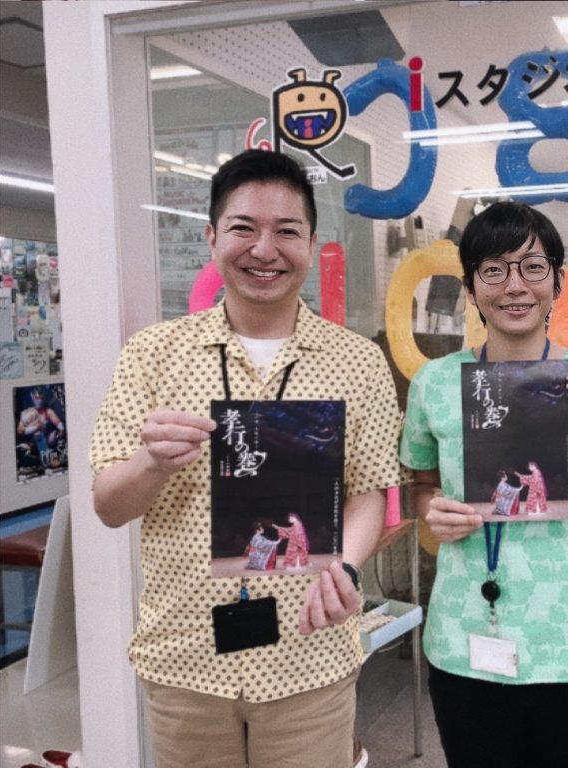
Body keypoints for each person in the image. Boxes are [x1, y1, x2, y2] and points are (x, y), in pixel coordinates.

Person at [89, 149, 402, 768]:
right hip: (187, 658)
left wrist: (347, 566)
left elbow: (369, 490)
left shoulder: (358, 362)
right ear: (211, 237)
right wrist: (152, 463)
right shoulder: (153, 354)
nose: (265, 249)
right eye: (243, 228)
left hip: (309, 655)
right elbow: (108, 506)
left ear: (310, 244)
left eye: (286, 231)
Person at [400, 201, 568, 768]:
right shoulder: (435, 384)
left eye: (533, 267)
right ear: (471, 288)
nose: (514, 286)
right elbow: (420, 484)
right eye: (493, 270)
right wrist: (431, 507)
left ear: (558, 281)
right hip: (468, 639)